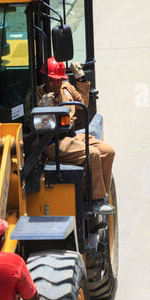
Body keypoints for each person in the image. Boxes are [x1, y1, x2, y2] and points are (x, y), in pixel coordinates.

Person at [37, 57, 114, 202]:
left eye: (59, 79)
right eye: (52, 80)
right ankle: (96, 199)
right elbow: (31, 124)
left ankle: (103, 193)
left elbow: (83, 103)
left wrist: (81, 78)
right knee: (92, 154)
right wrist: (42, 109)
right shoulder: (36, 95)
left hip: (71, 136)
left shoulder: (66, 88)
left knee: (108, 151)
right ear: (44, 78)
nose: (57, 84)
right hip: (51, 141)